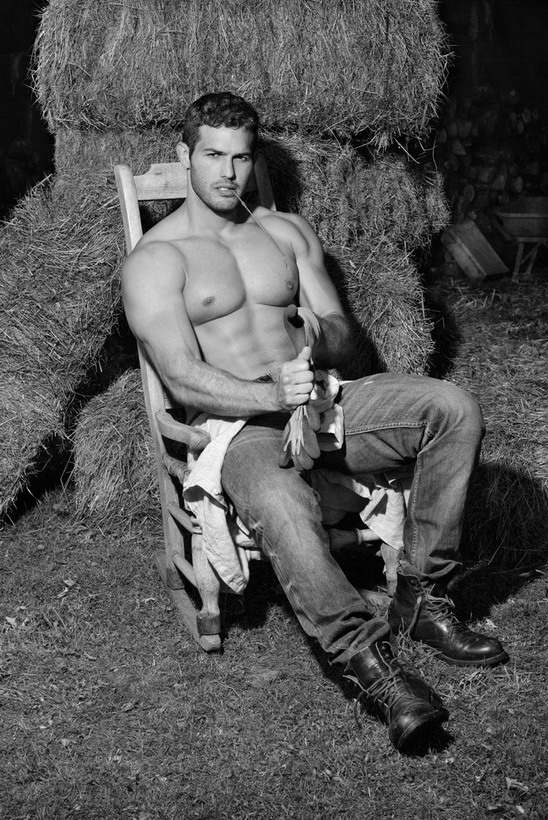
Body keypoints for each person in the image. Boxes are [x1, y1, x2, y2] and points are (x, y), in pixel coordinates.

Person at [121, 92, 509, 752]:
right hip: (240, 425)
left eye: (241, 158)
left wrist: (319, 343)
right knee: (279, 499)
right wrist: (270, 393)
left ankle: (423, 597)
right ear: (185, 155)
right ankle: (371, 666)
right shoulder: (157, 260)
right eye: (212, 155)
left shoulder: (286, 233)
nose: (228, 173)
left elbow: (345, 338)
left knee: (452, 408)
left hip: (324, 399)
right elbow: (182, 377)